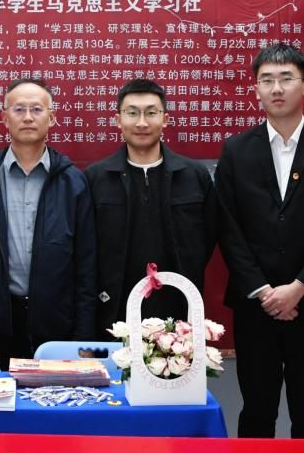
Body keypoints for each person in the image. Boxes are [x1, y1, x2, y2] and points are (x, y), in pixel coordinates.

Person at [216, 43, 304, 438]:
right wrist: (263, 291)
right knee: (256, 410)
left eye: (286, 78)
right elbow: (228, 228)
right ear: (256, 88)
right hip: (255, 306)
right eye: (267, 80)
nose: (276, 88)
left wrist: (299, 287)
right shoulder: (236, 150)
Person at [0, 78, 97, 369]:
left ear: (51, 118)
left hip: (57, 326)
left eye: (37, 109)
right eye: (19, 109)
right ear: (5, 118)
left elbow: (87, 267)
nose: (28, 117)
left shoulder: (73, 183)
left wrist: (83, 338)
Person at [85, 78, 217, 334]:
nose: (142, 123)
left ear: (165, 119)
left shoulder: (194, 175)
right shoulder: (96, 178)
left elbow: (209, 236)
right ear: (118, 120)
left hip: (180, 307)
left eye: (151, 113)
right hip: (114, 308)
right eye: (132, 113)